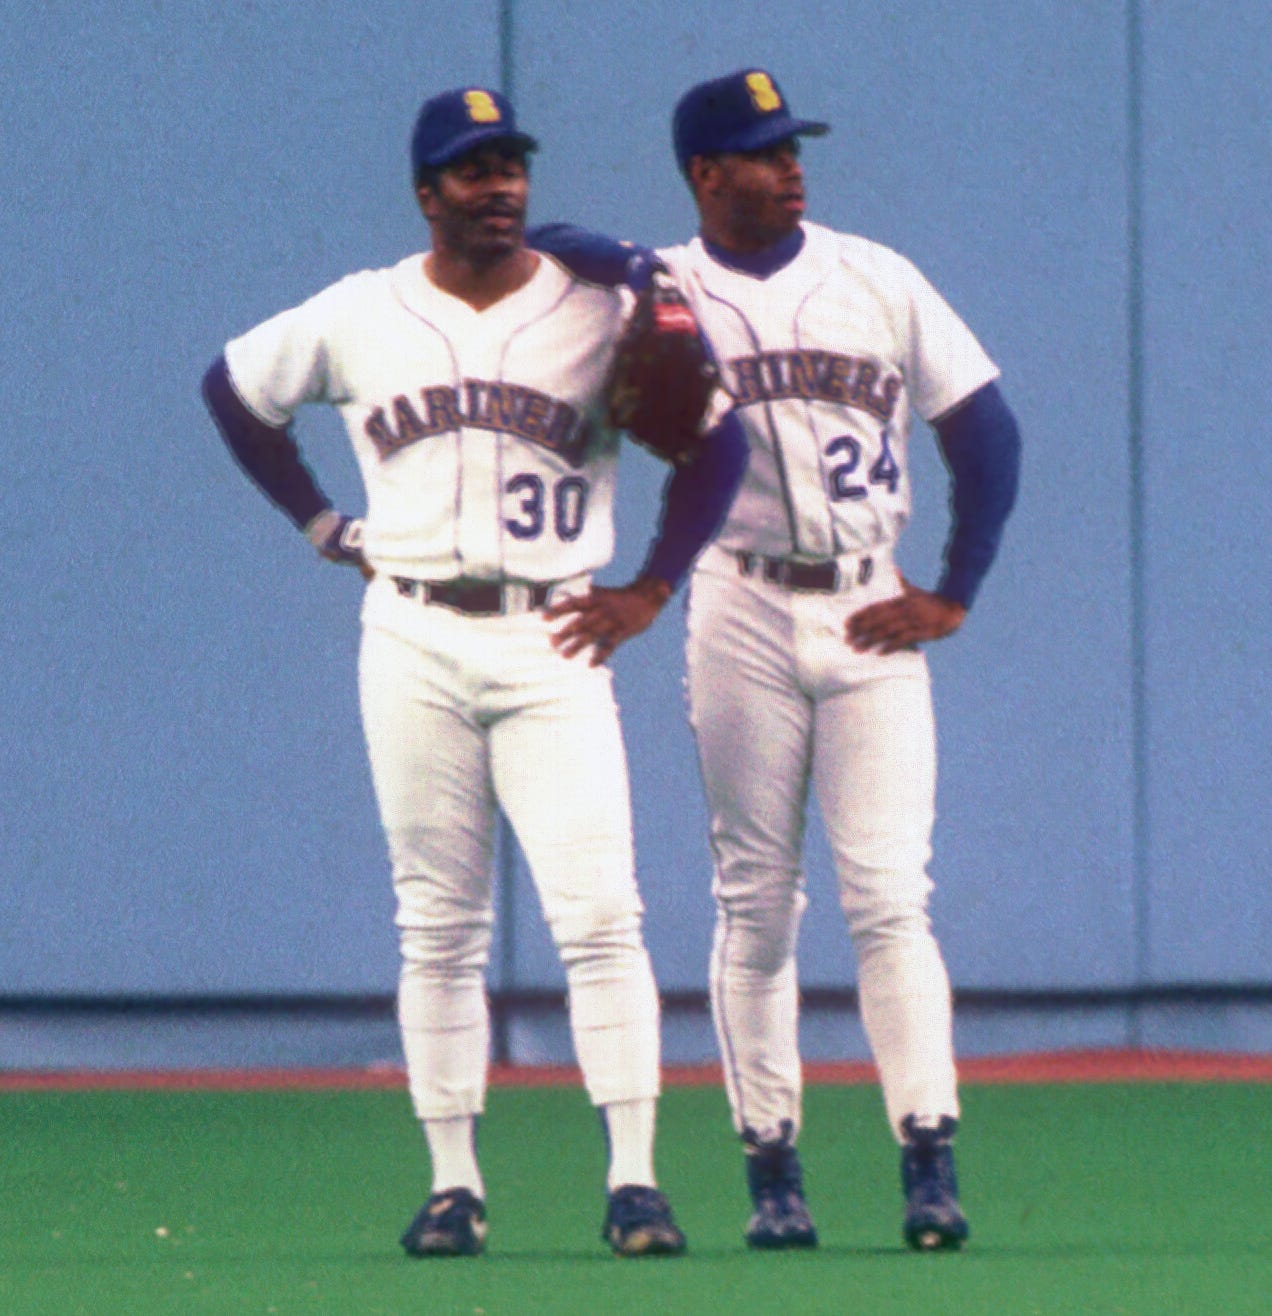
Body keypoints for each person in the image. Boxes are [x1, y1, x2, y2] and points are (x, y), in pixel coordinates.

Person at [201, 85, 748, 1259]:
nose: (500, 185)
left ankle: (636, 1180)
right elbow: (235, 392)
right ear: (426, 193)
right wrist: (320, 526)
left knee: (600, 915)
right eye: (472, 168)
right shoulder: (359, 312)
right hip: (409, 631)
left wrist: (652, 584)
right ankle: (453, 1184)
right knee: (437, 922)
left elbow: (719, 444)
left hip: (554, 634)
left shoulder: (600, 308)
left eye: (512, 165)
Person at [531, 67, 1020, 1251]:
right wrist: (636, 268)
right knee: (756, 903)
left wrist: (953, 589)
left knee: (890, 896)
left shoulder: (876, 276)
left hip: (865, 607)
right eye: (761, 150)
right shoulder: (663, 289)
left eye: (792, 144)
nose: (790, 163)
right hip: (738, 606)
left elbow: (985, 429)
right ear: (705, 173)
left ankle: (927, 1153)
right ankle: (772, 1168)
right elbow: (547, 238)